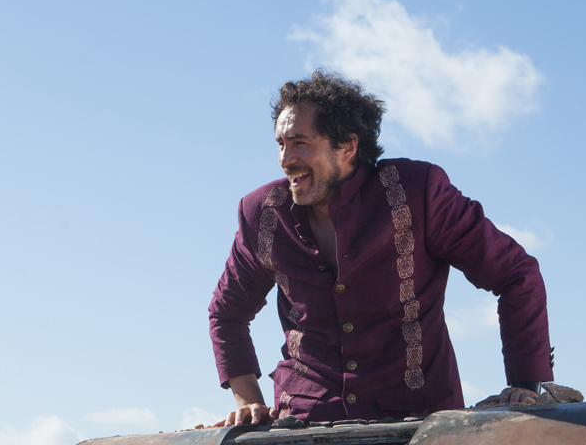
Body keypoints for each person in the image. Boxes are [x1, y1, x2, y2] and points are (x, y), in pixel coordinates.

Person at [207, 70, 552, 426]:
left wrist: (525, 384)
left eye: (299, 143)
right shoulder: (263, 214)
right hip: (304, 424)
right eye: (281, 143)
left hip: (420, 426)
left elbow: (515, 273)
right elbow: (226, 312)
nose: (285, 158)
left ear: (348, 147)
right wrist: (248, 399)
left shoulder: (418, 192)